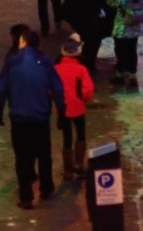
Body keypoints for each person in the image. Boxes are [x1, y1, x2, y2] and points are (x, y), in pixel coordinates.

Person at [0, 29, 65, 210]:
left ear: (23, 42)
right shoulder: (46, 63)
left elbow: (1, 88)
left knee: (23, 158)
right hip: (40, 118)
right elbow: (57, 88)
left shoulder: (12, 63)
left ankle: (26, 197)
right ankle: (46, 188)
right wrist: (62, 112)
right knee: (43, 155)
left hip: (20, 120)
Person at [54, 33, 95, 180]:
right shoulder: (81, 69)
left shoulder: (56, 68)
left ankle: (68, 170)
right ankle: (78, 164)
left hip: (62, 108)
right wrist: (83, 98)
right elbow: (88, 89)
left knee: (67, 137)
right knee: (80, 133)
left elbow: (50, 88)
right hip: (77, 107)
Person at [109, 0, 143, 89]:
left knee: (121, 51)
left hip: (122, 27)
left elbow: (112, 3)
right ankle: (132, 76)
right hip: (135, 27)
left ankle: (120, 74)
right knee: (132, 51)